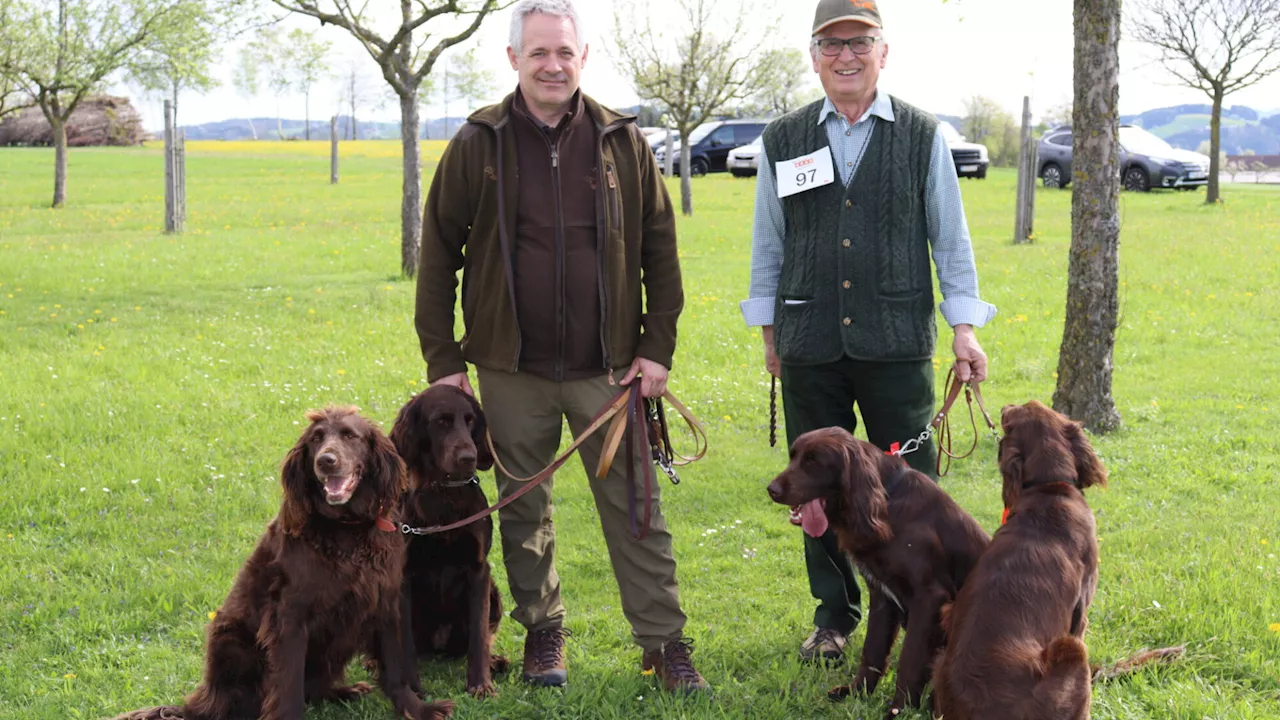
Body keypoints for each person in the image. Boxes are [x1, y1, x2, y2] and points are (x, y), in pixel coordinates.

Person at [413, 0, 707, 694]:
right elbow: (437, 257)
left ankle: (665, 645)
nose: (553, 64)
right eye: (539, 52)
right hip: (508, 369)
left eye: (564, 52)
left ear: (583, 57)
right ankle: (544, 634)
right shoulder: (477, 143)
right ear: (514, 58)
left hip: (608, 369)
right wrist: (445, 365)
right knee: (522, 509)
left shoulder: (623, 142)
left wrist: (656, 349)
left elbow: (661, 253)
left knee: (638, 511)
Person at [739, 0, 997, 664]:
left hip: (896, 343)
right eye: (832, 44)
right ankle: (834, 615)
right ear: (814, 55)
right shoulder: (782, 138)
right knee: (812, 487)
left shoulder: (923, 136)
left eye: (860, 43)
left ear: (885, 51)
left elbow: (952, 241)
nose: (846, 56)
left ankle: (928, 609)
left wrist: (964, 330)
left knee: (911, 487)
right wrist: (770, 333)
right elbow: (769, 244)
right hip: (809, 343)